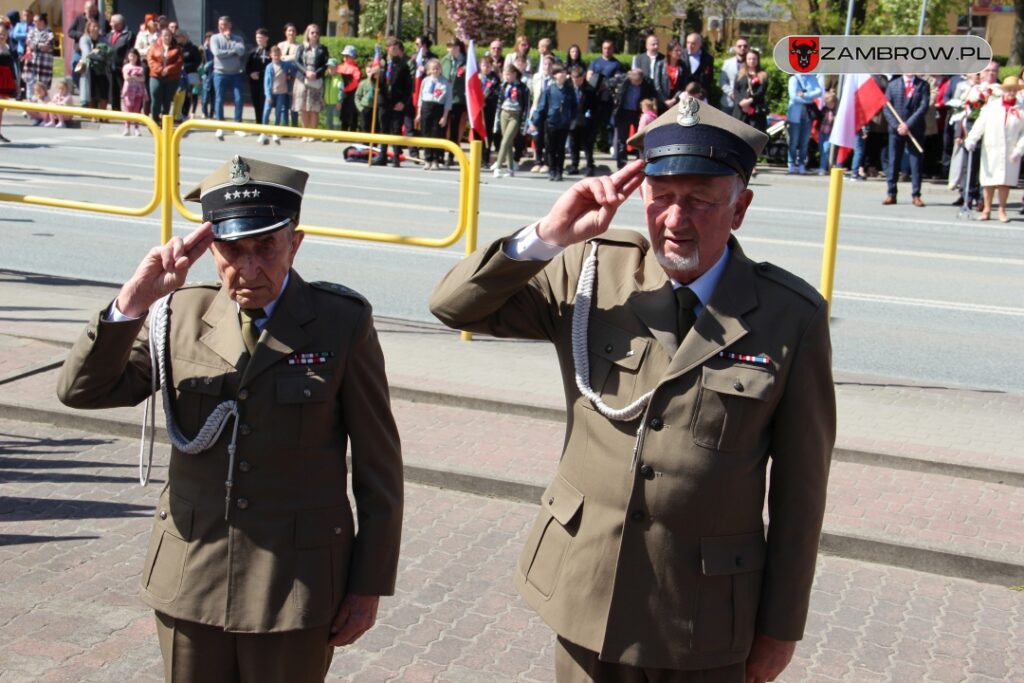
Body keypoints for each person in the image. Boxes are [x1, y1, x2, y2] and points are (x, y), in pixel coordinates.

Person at [430, 96, 835, 683]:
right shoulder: (591, 272)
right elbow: (452, 306)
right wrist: (549, 234)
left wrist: (779, 629)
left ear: (740, 207)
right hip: (586, 589)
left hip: (703, 616)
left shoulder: (787, 315)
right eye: (662, 198)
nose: (675, 219)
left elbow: (802, 495)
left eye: (699, 201)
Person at [57, 155, 404, 682]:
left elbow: (379, 467)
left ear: (296, 242)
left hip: (297, 583)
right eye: (231, 249)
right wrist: (134, 301)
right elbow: (82, 390)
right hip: (192, 575)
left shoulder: (339, 323)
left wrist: (368, 584)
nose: (247, 268)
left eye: (265, 246)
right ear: (211, 248)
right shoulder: (178, 315)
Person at [964, 76, 1024, 222]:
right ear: (1003, 90)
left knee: (1005, 181)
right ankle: (987, 209)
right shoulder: (991, 106)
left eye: (1014, 90)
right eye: (1009, 89)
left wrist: (1020, 149)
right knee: (989, 181)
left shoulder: (1021, 109)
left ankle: (1002, 210)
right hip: (991, 147)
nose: (1011, 92)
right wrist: (972, 139)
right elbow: (980, 124)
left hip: (1011, 150)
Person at [882, 72, 930, 207]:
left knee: (916, 163)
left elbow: (923, 107)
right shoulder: (893, 85)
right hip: (896, 131)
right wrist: (897, 126)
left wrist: (908, 124)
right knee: (893, 162)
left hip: (915, 129)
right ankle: (891, 193)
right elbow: (887, 108)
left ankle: (916, 195)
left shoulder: (923, 85)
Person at [531, 63, 576, 182]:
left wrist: (572, 119)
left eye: (564, 72)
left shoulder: (569, 90)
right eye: (560, 72)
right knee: (551, 148)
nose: (563, 74)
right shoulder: (549, 90)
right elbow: (541, 107)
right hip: (551, 122)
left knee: (561, 149)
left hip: (564, 123)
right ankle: (552, 170)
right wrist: (534, 121)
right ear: (555, 75)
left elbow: (574, 106)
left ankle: (559, 171)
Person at [375, 36, 412, 167]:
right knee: (383, 128)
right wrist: (376, 76)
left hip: (397, 101)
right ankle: (382, 155)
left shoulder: (403, 66)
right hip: (384, 101)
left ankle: (396, 156)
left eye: (397, 48)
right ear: (387, 49)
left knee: (396, 129)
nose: (395, 50)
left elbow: (408, 87)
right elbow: (378, 84)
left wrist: (403, 102)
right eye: (393, 48)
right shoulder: (381, 64)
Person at [732, 48, 768, 177]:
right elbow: (735, 90)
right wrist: (741, 102)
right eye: (749, 59)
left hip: (756, 111)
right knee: (740, 137)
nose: (751, 61)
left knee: (753, 138)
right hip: (741, 110)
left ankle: (752, 165)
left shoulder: (763, 75)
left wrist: (750, 101)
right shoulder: (740, 73)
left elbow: (761, 92)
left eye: (754, 59)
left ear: (758, 60)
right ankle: (739, 164)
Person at [613, 69, 658, 168]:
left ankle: (640, 163)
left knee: (640, 138)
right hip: (624, 112)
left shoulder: (647, 83)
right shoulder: (623, 81)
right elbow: (610, 85)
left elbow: (653, 96)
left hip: (638, 113)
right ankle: (621, 165)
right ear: (630, 79)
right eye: (635, 81)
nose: (637, 84)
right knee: (622, 139)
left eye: (639, 82)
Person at [210, 16, 247, 140]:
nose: (222, 26)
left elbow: (241, 51)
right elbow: (217, 53)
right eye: (220, 24)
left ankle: (238, 125)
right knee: (219, 99)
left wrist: (230, 44)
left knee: (239, 98)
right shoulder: (214, 38)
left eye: (224, 24)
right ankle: (220, 126)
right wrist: (232, 51)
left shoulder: (237, 38)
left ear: (229, 25)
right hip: (220, 73)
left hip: (236, 73)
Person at [292, 24, 329, 141]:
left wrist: (316, 73)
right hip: (302, 80)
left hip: (316, 80)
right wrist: (306, 72)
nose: (315, 35)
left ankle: (312, 133)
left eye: (317, 33)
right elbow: (296, 62)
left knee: (314, 108)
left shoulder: (323, 49)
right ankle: (305, 133)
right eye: (312, 32)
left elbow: (325, 65)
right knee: (303, 108)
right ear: (307, 34)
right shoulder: (301, 47)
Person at [587, 40, 625, 153]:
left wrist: (607, 84)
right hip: (594, 98)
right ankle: (590, 145)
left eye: (609, 48)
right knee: (593, 123)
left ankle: (611, 145)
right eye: (604, 48)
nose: (607, 50)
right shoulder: (595, 62)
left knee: (610, 124)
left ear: (613, 49)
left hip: (608, 98)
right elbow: (589, 76)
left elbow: (619, 80)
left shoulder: (616, 64)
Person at [416, 57, 451, 171]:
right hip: (426, 107)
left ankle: (436, 159)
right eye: (433, 68)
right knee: (426, 133)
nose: (436, 70)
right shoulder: (425, 81)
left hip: (438, 108)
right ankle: (427, 159)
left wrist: (445, 116)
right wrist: (419, 113)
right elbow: (420, 98)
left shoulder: (445, 82)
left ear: (440, 69)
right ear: (430, 70)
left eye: (438, 68)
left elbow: (448, 101)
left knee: (436, 134)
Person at [493, 64, 527, 178]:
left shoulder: (522, 87)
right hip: (504, 113)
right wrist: (497, 119)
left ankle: (498, 167)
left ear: (514, 74)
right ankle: (511, 169)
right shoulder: (503, 86)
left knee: (505, 141)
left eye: (508, 74)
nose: (505, 77)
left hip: (515, 115)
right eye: (504, 74)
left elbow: (526, 106)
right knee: (508, 143)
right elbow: (499, 102)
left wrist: (524, 124)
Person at [786, 73, 822, 174]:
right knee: (794, 140)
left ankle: (802, 163)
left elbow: (819, 92)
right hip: (795, 115)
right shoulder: (793, 78)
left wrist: (805, 95)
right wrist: (809, 99)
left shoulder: (812, 77)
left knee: (805, 141)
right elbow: (793, 97)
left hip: (808, 115)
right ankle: (791, 162)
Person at [259, 45, 295, 144]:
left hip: (282, 92)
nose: (276, 57)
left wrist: (290, 78)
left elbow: (293, 70)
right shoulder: (269, 67)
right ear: (271, 55)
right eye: (274, 55)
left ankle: (275, 132)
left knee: (278, 112)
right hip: (271, 93)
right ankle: (264, 132)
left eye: (278, 55)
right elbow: (266, 82)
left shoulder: (285, 65)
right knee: (266, 112)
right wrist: (268, 95)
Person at [440, 38, 467, 166]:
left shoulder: (466, 61)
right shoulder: (444, 60)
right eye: (450, 46)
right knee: (442, 126)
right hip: (444, 98)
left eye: (454, 46)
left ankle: (451, 155)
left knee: (455, 128)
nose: (452, 49)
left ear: (459, 47)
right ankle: (440, 154)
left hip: (458, 98)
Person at [566, 65, 596, 177]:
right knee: (573, 144)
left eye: (578, 78)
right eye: (574, 78)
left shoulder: (589, 90)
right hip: (572, 120)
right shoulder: (568, 88)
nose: (576, 80)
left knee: (587, 145)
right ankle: (574, 165)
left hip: (585, 121)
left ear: (583, 77)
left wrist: (591, 115)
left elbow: (595, 106)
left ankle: (590, 166)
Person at [147, 28, 182, 122]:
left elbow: (179, 63)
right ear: (161, 36)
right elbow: (150, 60)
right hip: (156, 76)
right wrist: (160, 69)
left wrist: (168, 69)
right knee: (155, 96)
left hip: (172, 77)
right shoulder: (154, 46)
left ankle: (164, 121)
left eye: (169, 35)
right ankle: (154, 120)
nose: (167, 37)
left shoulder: (177, 48)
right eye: (165, 35)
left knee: (167, 100)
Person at [78, 20, 112, 111]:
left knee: (104, 90)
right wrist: (99, 54)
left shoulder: (103, 39)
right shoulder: (84, 39)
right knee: (91, 91)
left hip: (102, 69)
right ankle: (92, 114)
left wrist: (99, 52)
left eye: (97, 26)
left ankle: (103, 114)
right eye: (94, 26)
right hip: (90, 69)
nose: (96, 28)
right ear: (88, 28)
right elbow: (87, 53)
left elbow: (109, 51)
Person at [106, 14, 133, 111]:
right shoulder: (110, 34)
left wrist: (126, 64)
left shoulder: (129, 35)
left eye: (112, 22)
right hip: (110, 66)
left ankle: (129, 110)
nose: (110, 24)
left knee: (125, 89)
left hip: (121, 66)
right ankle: (115, 110)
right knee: (113, 89)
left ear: (119, 24)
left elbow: (129, 50)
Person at [23, 13, 54, 92]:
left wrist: (35, 46)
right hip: (31, 62)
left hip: (43, 63)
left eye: (36, 21)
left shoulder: (49, 33)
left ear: (42, 22)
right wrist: (39, 45)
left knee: (42, 86)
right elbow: (28, 43)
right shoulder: (31, 31)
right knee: (30, 82)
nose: (33, 23)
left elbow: (47, 46)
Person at [246, 29, 272, 125]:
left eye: (261, 37)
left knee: (264, 103)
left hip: (265, 82)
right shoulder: (253, 51)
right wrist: (251, 74)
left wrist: (260, 74)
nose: (259, 39)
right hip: (254, 82)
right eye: (257, 37)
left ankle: (265, 124)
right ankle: (258, 124)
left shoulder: (271, 51)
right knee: (256, 103)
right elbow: (248, 66)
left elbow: (272, 67)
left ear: (266, 38)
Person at [479, 55, 501, 165]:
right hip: (478, 109)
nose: (486, 67)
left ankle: (486, 157)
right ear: (480, 66)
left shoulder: (495, 78)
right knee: (477, 133)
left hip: (489, 108)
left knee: (487, 133)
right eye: (484, 65)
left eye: (488, 65)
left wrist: (486, 100)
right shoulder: (477, 78)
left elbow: (497, 93)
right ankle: (477, 156)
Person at [653, 38, 686, 110]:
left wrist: (674, 99)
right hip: (662, 100)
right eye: (676, 50)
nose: (679, 53)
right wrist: (665, 100)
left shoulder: (683, 65)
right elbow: (657, 85)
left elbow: (683, 85)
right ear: (670, 52)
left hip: (676, 99)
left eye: (680, 50)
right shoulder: (660, 64)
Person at [719, 36, 749, 112]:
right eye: (739, 46)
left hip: (746, 103)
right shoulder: (727, 63)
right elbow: (723, 81)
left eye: (745, 46)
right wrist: (732, 94)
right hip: (728, 103)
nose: (742, 48)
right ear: (735, 48)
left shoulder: (752, 64)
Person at [278, 23, 300, 126]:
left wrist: (285, 57)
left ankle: (294, 127)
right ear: (285, 32)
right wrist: (290, 57)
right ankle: (285, 127)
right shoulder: (280, 45)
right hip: (282, 78)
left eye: (293, 31)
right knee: (283, 104)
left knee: (293, 104)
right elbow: (277, 58)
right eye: (289, 30)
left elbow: (297, 59)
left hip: (294, 78)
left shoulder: (299, 46)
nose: (291, 32)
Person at [120, 48, 147, 135]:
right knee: (128, 108)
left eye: (134, 56)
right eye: (131, 56)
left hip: (138, 91)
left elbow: (143, 79)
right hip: (128, 90)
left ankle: (136, 128)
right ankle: (127, 127)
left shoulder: (140, 68)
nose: (133, 58)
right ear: (128, 56)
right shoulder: (126, 67)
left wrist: (133, 77)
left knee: (136, 109)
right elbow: (126, 77)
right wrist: (136, 77)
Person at [177, 31, 202, 121]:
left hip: (189, 74)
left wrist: (186, 66)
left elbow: (198, 61)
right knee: (178, 94)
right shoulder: (177, 47)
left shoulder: (193, 48)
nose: (177, 38)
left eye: (179, 36)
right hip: (178, 74)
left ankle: (184, 113)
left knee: (188, 94)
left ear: (185, 37)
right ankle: (176, 113)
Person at [0, 23, 17, 141]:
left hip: (5, 80)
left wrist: (15, 80)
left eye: (4, 34)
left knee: (1, 108)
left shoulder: (7, 47)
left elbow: (12, 66)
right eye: (0, 34)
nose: (2, 36)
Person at [338, 45, 361, 131]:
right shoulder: (339, 67)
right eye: (344, 55)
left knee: (352, 113)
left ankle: (352, 131)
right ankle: (342, 131)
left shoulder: (355, 69)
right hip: (340, 94)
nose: (345, 57)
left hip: (351, 94)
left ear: (353, 57)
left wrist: (345, 89)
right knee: (342, 114)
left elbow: (355, 82)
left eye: (348, 55)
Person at [818, 91, 837, 174]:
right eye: (827, 103)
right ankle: (822, 166)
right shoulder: (824, 110)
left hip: (829, 133)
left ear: (834, 103)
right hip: (822, 132)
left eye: (830, 103)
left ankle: (823, 168)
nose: (828, 105)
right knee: (821, 149)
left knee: (826, 150)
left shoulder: (835, 112)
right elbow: (819, 118)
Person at [323, 58, 343, 131]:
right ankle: (328, 135)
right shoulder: (326, 78)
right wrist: (323, 99)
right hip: (327, 103)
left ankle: (336, 135)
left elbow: (341, 90)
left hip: (336, 103)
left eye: (332, 67)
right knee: (328, 119)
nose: (331, 69)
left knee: (336, 120)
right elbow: (323, 90)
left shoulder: (339, 78)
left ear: (336, 68)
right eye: (329, 67)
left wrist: (339, 102)